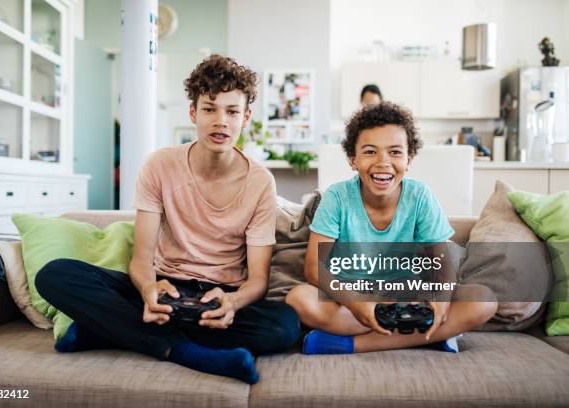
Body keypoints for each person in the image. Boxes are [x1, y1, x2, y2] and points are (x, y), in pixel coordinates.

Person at [35, 54, 301, 384]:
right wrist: (148, 288)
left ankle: (106, 333)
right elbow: (141, 260)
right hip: (166, 288)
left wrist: (233, 301)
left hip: (219, 296)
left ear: (245, 117)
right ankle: (186, 352)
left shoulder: (261, 181)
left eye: (232, 111)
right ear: (193, 112)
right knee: (55, 274)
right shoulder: (160, 165)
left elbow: (258, 280)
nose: (221, 121)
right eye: (209, 109)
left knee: (285, 325)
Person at [285, 102, 497, 355]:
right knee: (298, 299)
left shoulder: (420, 196)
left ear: (409, 160)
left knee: (484, 300)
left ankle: (346, 344)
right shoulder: (337, 197)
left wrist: (440, 300)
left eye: (395, 152)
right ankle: (429, 336)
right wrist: (358, 304)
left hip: (406, 299)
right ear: (353, 160)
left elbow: (442, 265)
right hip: (349, 299)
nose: (383, 162)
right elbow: (313, 268)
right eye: (370, 152)